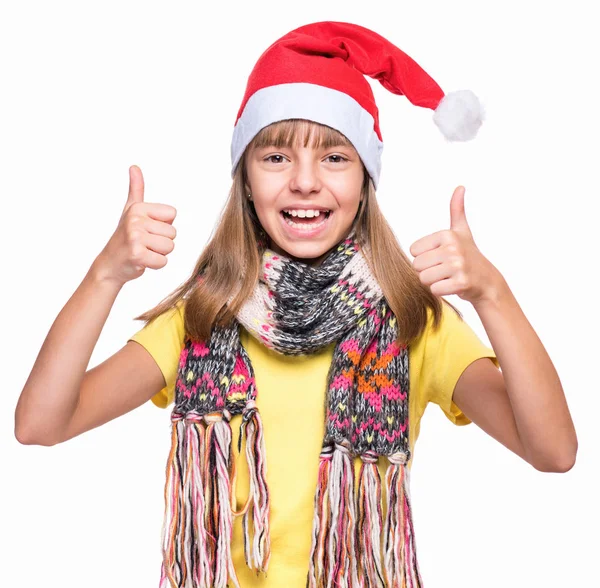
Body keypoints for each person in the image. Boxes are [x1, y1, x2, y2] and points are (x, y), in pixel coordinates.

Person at [15, 20, 577, 588]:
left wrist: (493, 296)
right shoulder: (203, 318)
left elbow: (552, 450)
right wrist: (106, 274)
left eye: (335, 157)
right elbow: (41, 422)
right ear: (246, 180)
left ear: (365, 179)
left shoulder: (412, 320)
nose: (305, 182)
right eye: (277, 157)